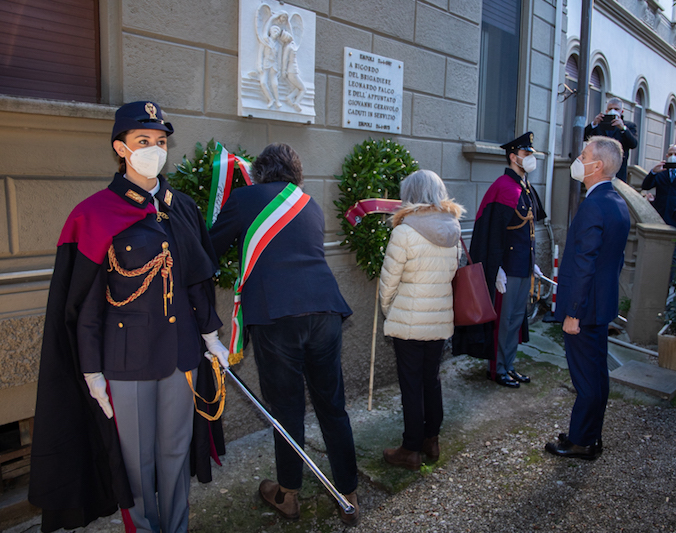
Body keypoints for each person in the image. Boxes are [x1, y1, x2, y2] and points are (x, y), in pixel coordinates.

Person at [28, 101, 228, 533]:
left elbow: (196, 279)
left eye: (160, 142)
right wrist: (91, 370)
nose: (154, 150)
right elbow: (85, 304)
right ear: (121, 148)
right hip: (125, 362)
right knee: (136, 462)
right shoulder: (95, 214)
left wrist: (212, 335)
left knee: (175, 454)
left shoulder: (182, 207)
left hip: (180, 357)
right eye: (143, 142)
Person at [209, 143, 359, 526]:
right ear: (296, 174)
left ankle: (288, 495)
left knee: (287, 410)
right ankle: (349, 492)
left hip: (277, 316)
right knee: (331, 405)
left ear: (259, 173)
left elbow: (209, 249)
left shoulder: (244, 198)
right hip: (325, 310)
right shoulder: (308, 203)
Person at [545, 136, 630, 460]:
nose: (578, 159)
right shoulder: (615, 201)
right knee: (596, 373)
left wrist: (573, 312)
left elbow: (585, 263)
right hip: (601, 302)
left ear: (598, 165)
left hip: (586, 307)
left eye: (583, 155)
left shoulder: (595, 203)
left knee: (586, 378)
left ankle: (582, 441)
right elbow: (614, 261)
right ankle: (590, 435)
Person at [379, 170, 464, 470]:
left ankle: (410, 449)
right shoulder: (452, 228)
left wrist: (390, 309)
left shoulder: (404, 231)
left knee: (411, 386)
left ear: (411, 194)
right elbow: (454, 272)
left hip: (409, 321)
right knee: (432, 380)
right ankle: (432, 439)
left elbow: (388, 282)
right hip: (440, 320)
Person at [452, 132, 546, 388]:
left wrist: (532, 261)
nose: (530, 158)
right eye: (527, 154)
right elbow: (492, 234)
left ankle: (509, 365)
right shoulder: (503, 188)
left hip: (522, 267)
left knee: (516, 320)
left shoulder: (524, 187)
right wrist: (496, 270)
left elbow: (528, 230)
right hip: (507, 269)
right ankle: (497, 369)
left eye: (531, 154)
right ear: (513, 157)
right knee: (502, 322)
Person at [583, 97, 639, 182]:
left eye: (616, 109)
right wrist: (593, 124)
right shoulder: (599, 124)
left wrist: (623, 128)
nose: (613, 111)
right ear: (606, 111)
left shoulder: (629, 126)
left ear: (622, 111)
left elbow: (633, 144)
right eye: (610, 109)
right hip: (599, 168)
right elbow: (583, 137)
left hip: (618, 170)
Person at [641, 144, 676, 228]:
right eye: (670, 154)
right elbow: (646, 186)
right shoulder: (661, 173)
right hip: (660, 216)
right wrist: (653, 172)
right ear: (667, 156)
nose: (673, 156)